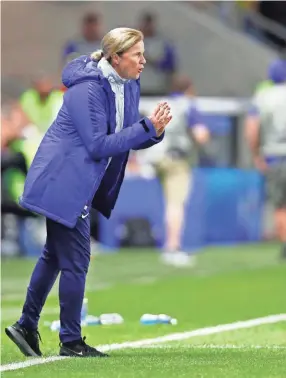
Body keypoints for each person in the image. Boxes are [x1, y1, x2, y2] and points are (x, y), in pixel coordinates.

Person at [5, 27, 172, 358]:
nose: (144, 60)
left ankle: (26, 324)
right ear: (116, 57)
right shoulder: (88, 89)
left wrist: (153, 132)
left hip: (80, 182)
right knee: (77, 260)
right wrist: (145, 129)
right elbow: (98, 145)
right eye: (137, 54)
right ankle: (70, 341)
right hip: (63, 181)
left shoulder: (129, 84)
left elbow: (127, 132)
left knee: (55, 255)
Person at [138, 74, 209, 267]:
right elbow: (201, 135)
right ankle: (172, 247)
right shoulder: (188, 105)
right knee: (176, 204)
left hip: (155, 157)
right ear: (190, 88)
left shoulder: (162, 103)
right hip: (176, 158)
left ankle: (170, 245)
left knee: (168, 202)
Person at [245, 58, 286, 259]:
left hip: (275, 156)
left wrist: (256, 154)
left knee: (279, 204)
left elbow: (252, 128)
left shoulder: (263, 96)